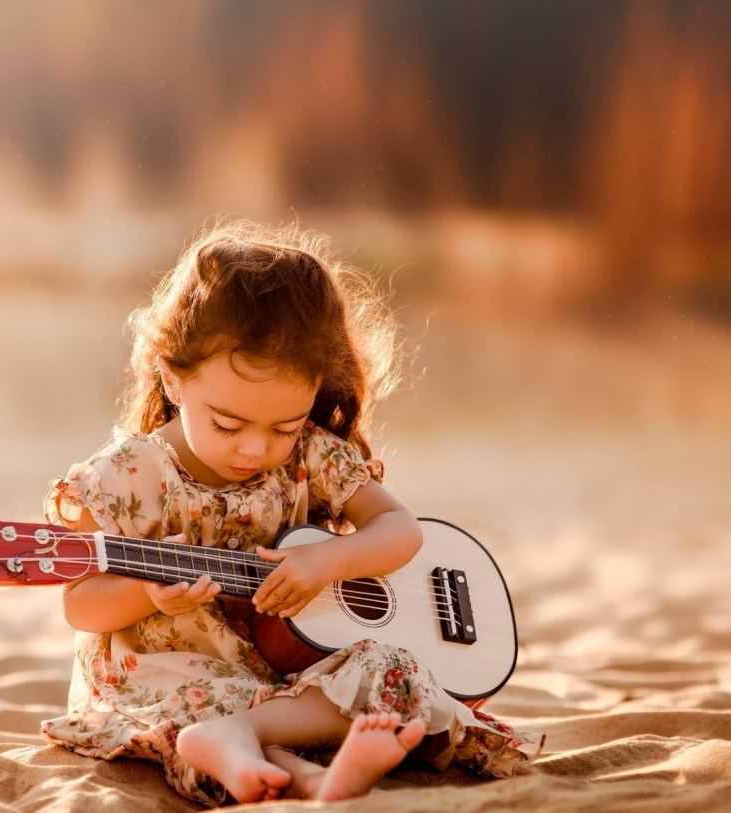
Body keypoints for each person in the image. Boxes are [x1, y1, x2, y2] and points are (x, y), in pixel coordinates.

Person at [40, 220, 544, 805]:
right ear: (174, 380)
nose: (255, 449)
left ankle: (251, 745)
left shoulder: (309, 453)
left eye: (282, 426)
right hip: (168, 670)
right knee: (194, 707)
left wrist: (326, 563)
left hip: (286, 678)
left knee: (394, 670)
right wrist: (148, 593)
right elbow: (80, 603)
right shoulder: (127, 477)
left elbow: (400, 530)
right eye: (227, 424)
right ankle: (295, 770)